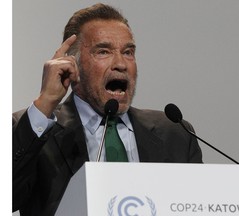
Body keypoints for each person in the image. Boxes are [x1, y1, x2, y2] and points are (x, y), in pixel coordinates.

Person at [13, 3, 202, 216]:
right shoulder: (32, 130)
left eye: (128, 52)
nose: (121, 64)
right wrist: (46, 101)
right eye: (103, 51)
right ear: (71, 64)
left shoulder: (175, 133)